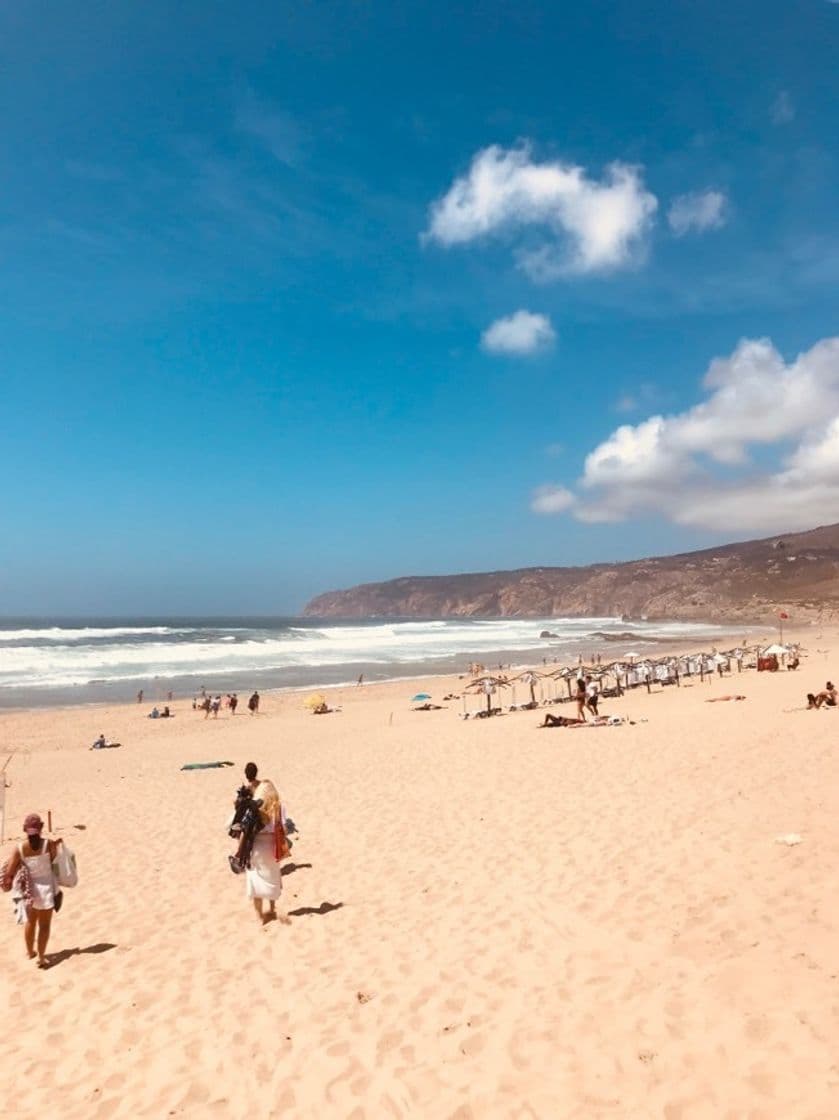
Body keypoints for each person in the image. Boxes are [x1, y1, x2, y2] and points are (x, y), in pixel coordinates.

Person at [1, 813, 63, 968]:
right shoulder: (48, 844)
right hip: (46, 889)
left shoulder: (20, 848)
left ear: (24, 829)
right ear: (41, 828)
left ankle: (30, 952)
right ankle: (41, 958)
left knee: (30, 922)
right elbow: (55, 863)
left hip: (29, 890)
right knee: (45, 925)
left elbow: (9, 871)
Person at [239, 762, 290, 926]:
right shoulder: (277, 805)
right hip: (271, 845)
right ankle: (272, 909)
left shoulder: (252, 805)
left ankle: (260, 916)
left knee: (255, 879)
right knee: (273, 877)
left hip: (257, 845)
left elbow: (242, 826)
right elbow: (283, 827)